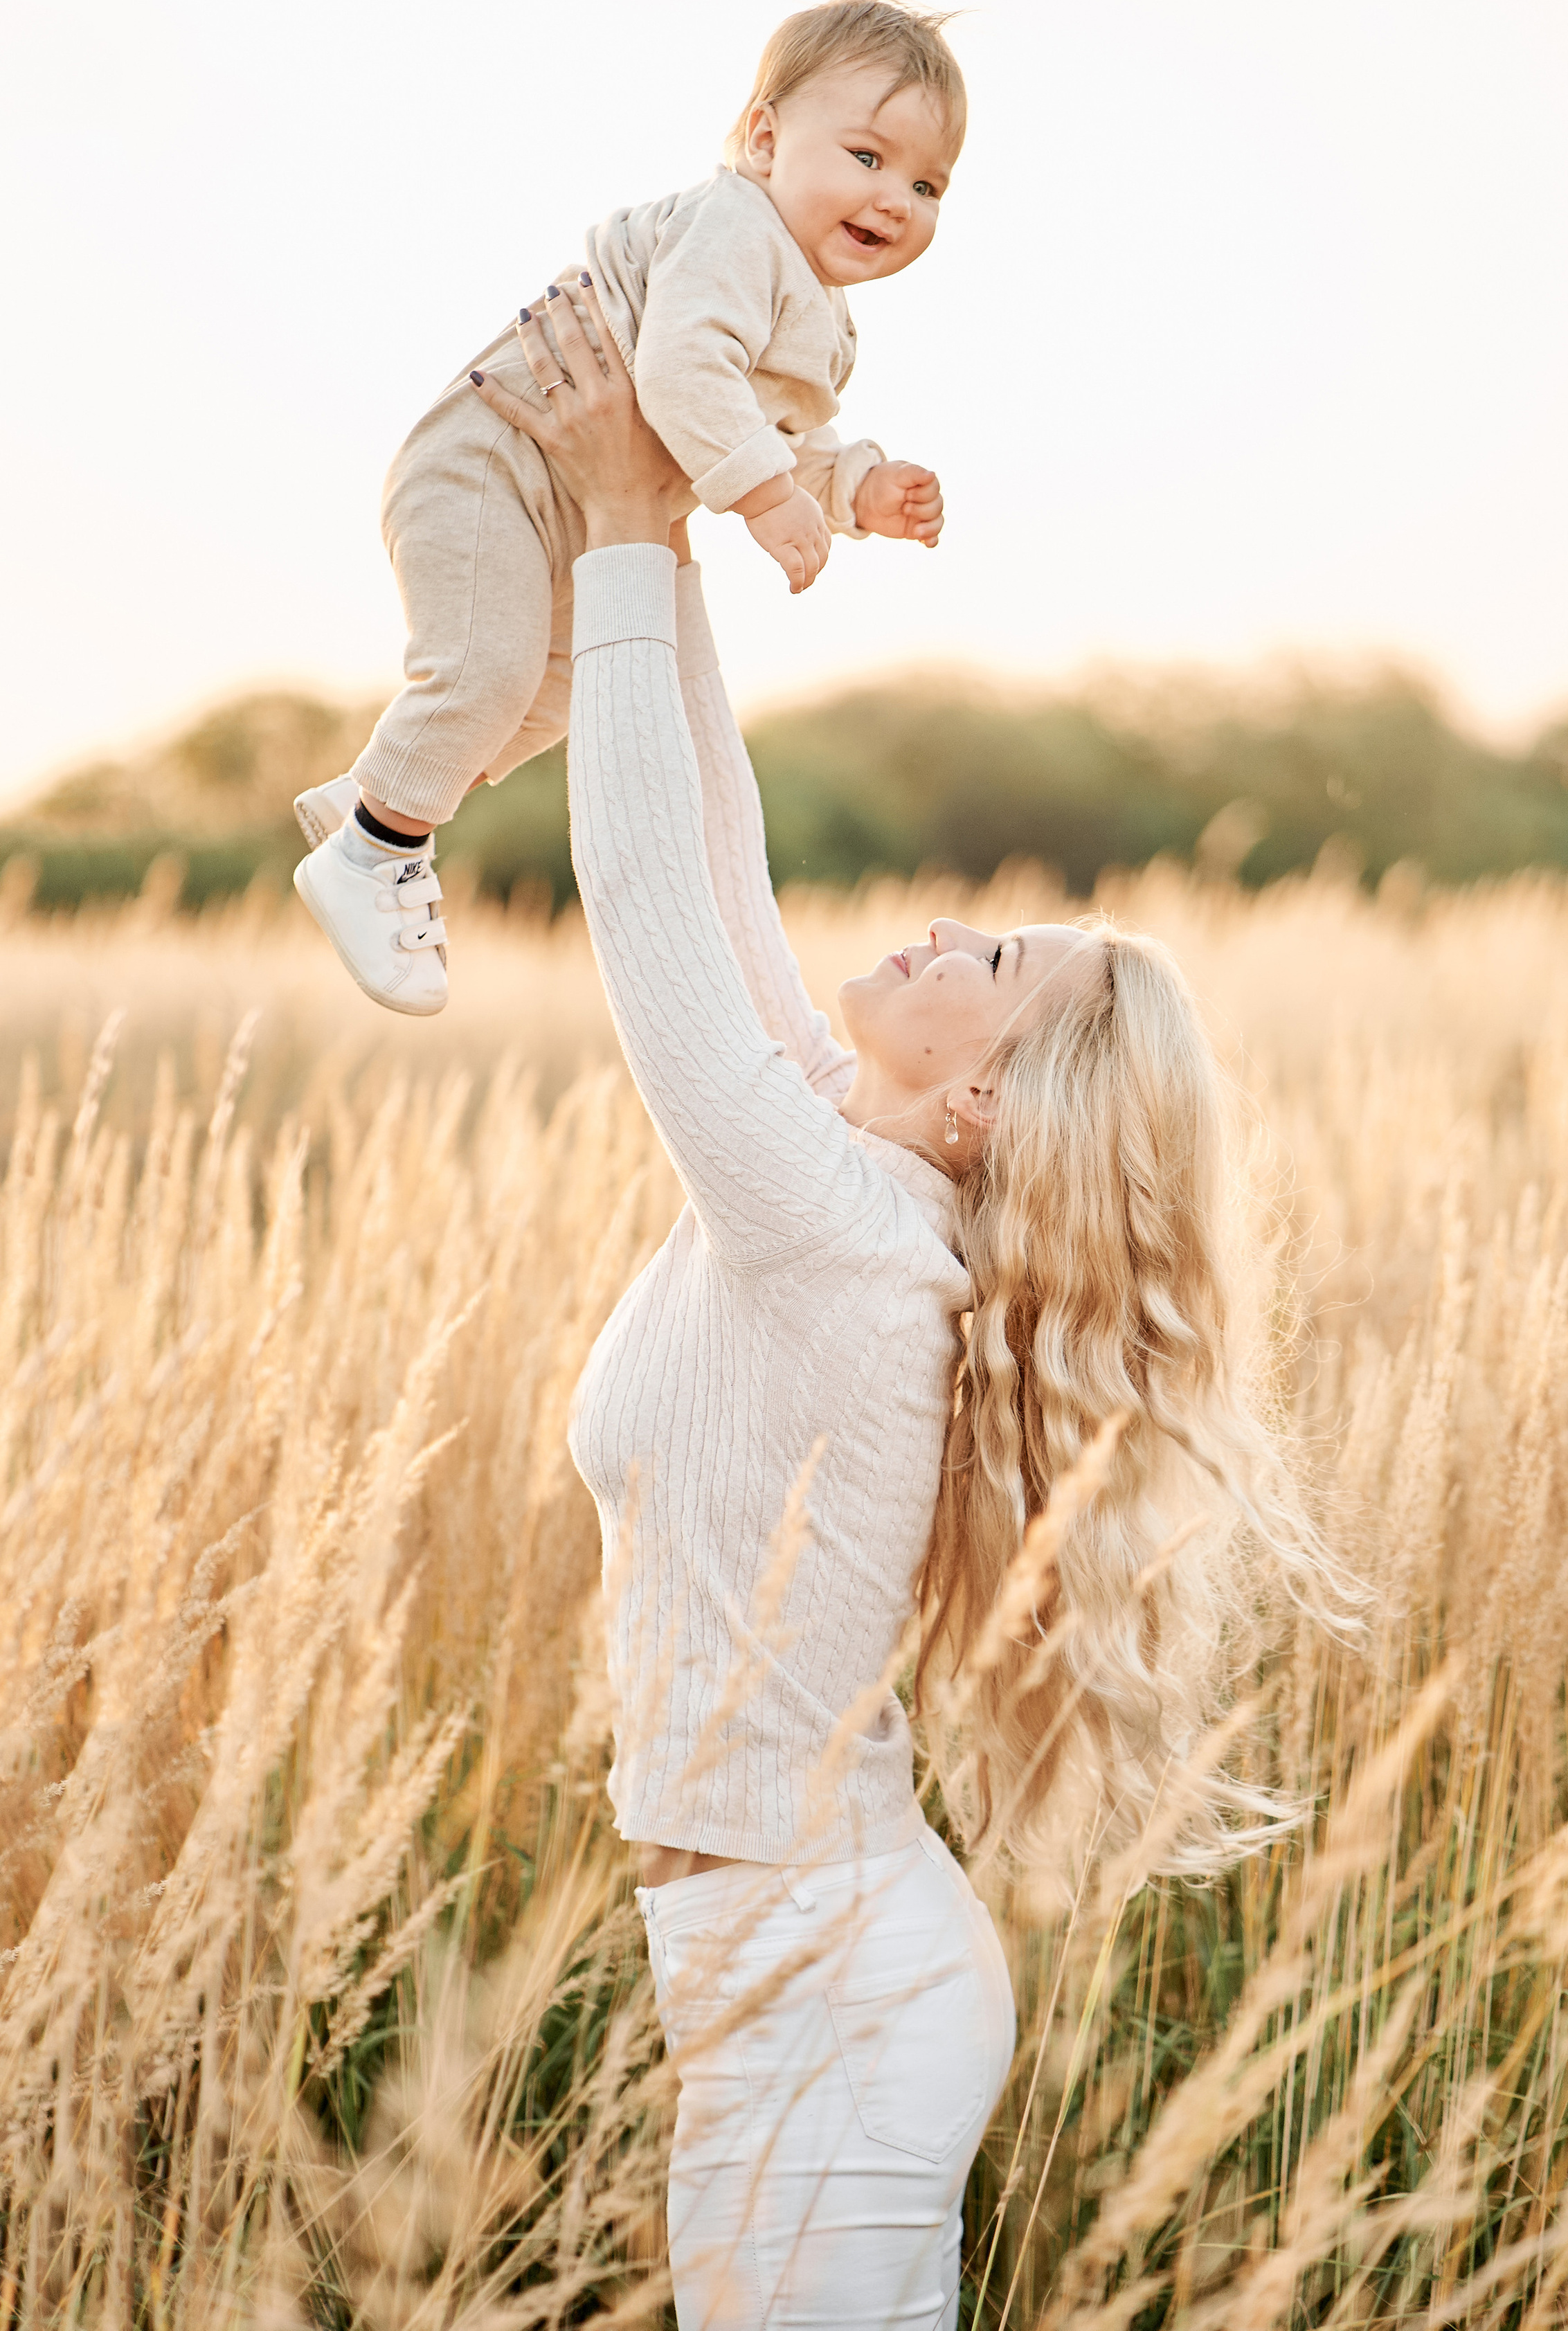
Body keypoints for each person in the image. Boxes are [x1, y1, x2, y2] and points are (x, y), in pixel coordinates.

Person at [469, 293, 1337, 2330]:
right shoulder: (845, 1175)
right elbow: (719, 852)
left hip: (826, 2000)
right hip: (790, 1978)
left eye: (996, 958)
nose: (942, 921)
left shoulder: (842, 1234)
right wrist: (661, 519)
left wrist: (612, 533)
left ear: (983, 1101)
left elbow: (646, 906)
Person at [292, 0, 960, 1018]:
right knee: (489, 673)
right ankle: (375, 851)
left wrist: (855, 486)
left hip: (564, 503)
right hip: (492, 464)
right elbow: (686, 374)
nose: (896, 199)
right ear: (765, 138)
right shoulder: (736, 224)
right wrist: (771, 497)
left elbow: (768, 425)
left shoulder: (818, 307)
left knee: (556, 693)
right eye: (868, 158)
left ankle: (376, 802)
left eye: (927, 183)